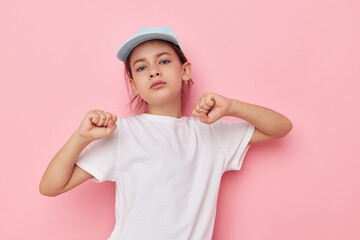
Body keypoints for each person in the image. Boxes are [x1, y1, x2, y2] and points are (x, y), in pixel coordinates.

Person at [39, 27, 292, 240]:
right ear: (133, 85)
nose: (154, 71)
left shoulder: (209, 134)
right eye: (141, 68)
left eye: (163, 61)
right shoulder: (123, 133)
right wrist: (80, 137)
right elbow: (51, 186)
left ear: (185, 71)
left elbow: (280, 127)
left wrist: (233, 107)